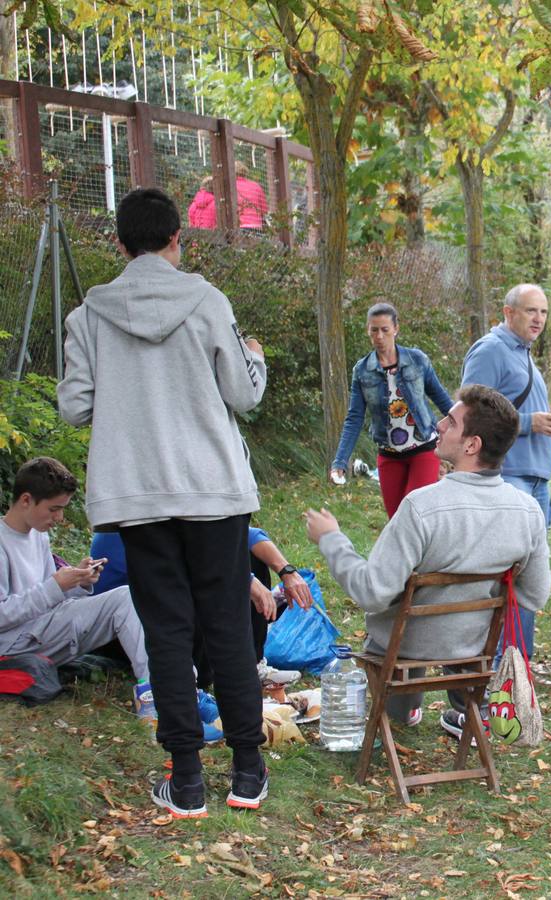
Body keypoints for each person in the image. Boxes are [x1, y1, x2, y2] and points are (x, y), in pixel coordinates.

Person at [58, 187, 269, 817]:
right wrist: (254, 358)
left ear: (119, 244)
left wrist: (124, 400)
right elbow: (245, 393)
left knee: (167, 632)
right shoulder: (207, 301)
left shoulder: (88, 315)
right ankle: (248, 774)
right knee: (228, 626)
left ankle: (185, 781)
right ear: (179, 238)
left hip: (136, 495)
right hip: (213, 491)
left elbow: (73, 406)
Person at [306, 385, 551, 734]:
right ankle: (424, 710)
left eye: (450, 422)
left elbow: (372, 592)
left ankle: (399, 712)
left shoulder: (421, 507)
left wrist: (331, 539)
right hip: (472, 649)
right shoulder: (527, 511)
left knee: (395, 617)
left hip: (405, 647)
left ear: (471, 445)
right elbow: (535, 595)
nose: (438, 425)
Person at [0, 458, 151, 721]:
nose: (59, 518)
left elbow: (49, 594)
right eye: (54, 509)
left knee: (126, 597)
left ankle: (173, 685)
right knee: (123, 599)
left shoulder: (38, 534)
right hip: (14, 642)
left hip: (40, 628)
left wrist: (78, 583)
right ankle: (155, 696)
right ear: (26, 500)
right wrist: (56, 587)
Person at [461, 284, 551, 658]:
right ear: (508, 313)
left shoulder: (524, 353)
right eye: (530, 311)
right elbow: (471, 414)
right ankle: (500, 664)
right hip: (510, 476)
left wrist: (543, 423)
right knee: (505, 576)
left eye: (544, 312)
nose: (538, 319)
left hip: (536, 479)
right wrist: (529, 423)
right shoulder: (491, 350)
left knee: (527, 577)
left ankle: (518, 663)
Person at [90, 526, 312, 693]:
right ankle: (197, 681)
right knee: (216, 579)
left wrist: (287, 572)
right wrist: (246, 579)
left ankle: (251, 664)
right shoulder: (138, 517)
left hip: (168, 607)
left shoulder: (187, 510)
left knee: (246, 554)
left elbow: (246, 534)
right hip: (130, 630)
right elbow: (181, 566)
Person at [331, 302, 455, 518]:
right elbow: (354, 418)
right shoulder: (362, 371)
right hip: (389, 455)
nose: (379, 336)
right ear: (368, 331)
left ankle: (432, 551)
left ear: (396, 329)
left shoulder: (417, 360)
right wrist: (340, 461)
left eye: (385, 330)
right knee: (396, 522)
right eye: (374, 330)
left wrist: (468, 431)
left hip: (424, 449)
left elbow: (443, 400)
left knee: (414, 515)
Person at [235, 161, 268, 229]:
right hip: (256, 226)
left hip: (239, 226)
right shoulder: (256, 186)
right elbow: (264, 209)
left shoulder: (231, 186)